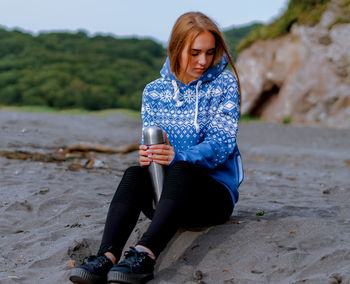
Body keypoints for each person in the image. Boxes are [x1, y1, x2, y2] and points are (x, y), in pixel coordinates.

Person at [69, 11, 244, 284]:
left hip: (211, 197)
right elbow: (150, 145)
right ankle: (107, 257)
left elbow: (221, 144)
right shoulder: (153, 91)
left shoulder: (225, 83)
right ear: (176, 48)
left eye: (210, 52)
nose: (203, 61)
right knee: (134, 174)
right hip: (165, 198)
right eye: (195, 52)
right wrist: (149, 154)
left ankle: (145, 255)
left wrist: (179, 156)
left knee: (182, 168)